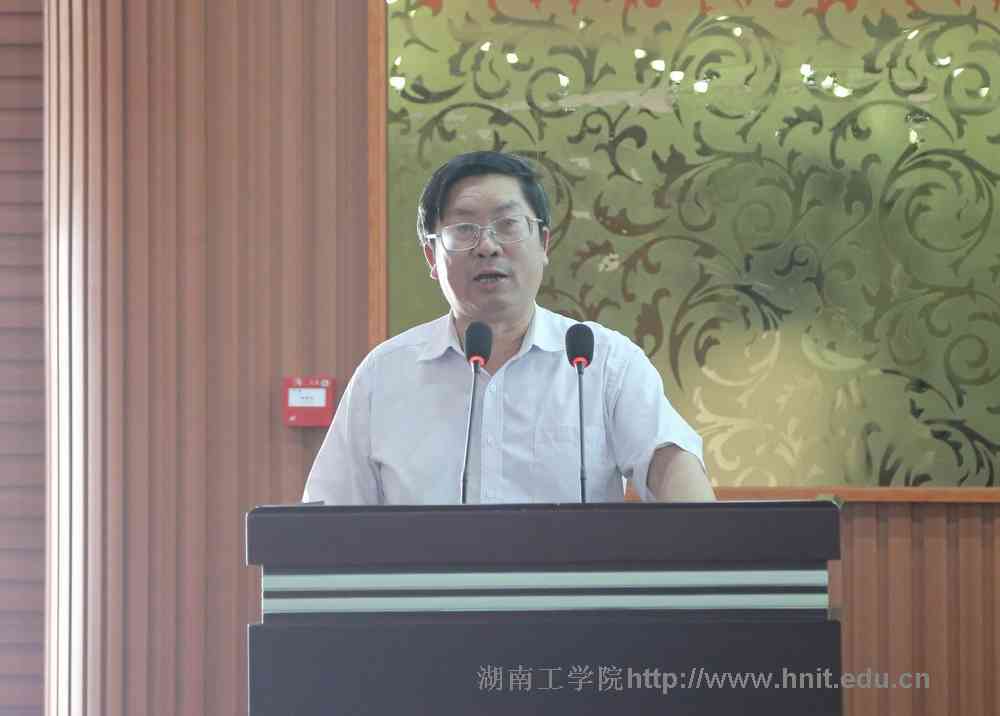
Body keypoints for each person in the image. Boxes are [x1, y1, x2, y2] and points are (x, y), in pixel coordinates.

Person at [303, 151, 714, 504]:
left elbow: (668, 459)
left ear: (544, 243)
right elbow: (329, 513)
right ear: (432, 256)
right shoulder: (384, 374)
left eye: (508, 224)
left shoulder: (600, 361)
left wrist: (702, 532)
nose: (487, 246)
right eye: (464, 229)